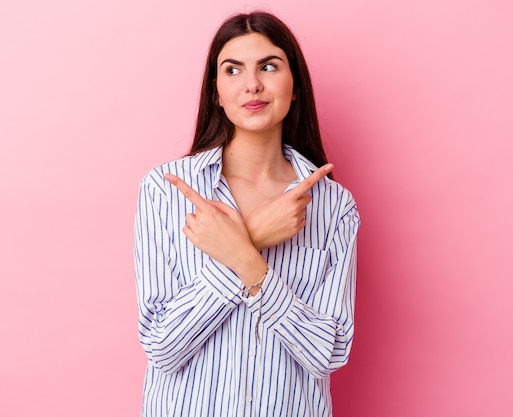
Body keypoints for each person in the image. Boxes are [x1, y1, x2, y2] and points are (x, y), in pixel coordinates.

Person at [134, 11, 360, 417]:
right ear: (217, 92)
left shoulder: (334, 206)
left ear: (295, 89)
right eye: (233, 70)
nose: (252, 84)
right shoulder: (165, 192)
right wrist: (252, 237)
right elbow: (162, 346)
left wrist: (248, 262)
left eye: (268, 66)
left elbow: (329, 353)